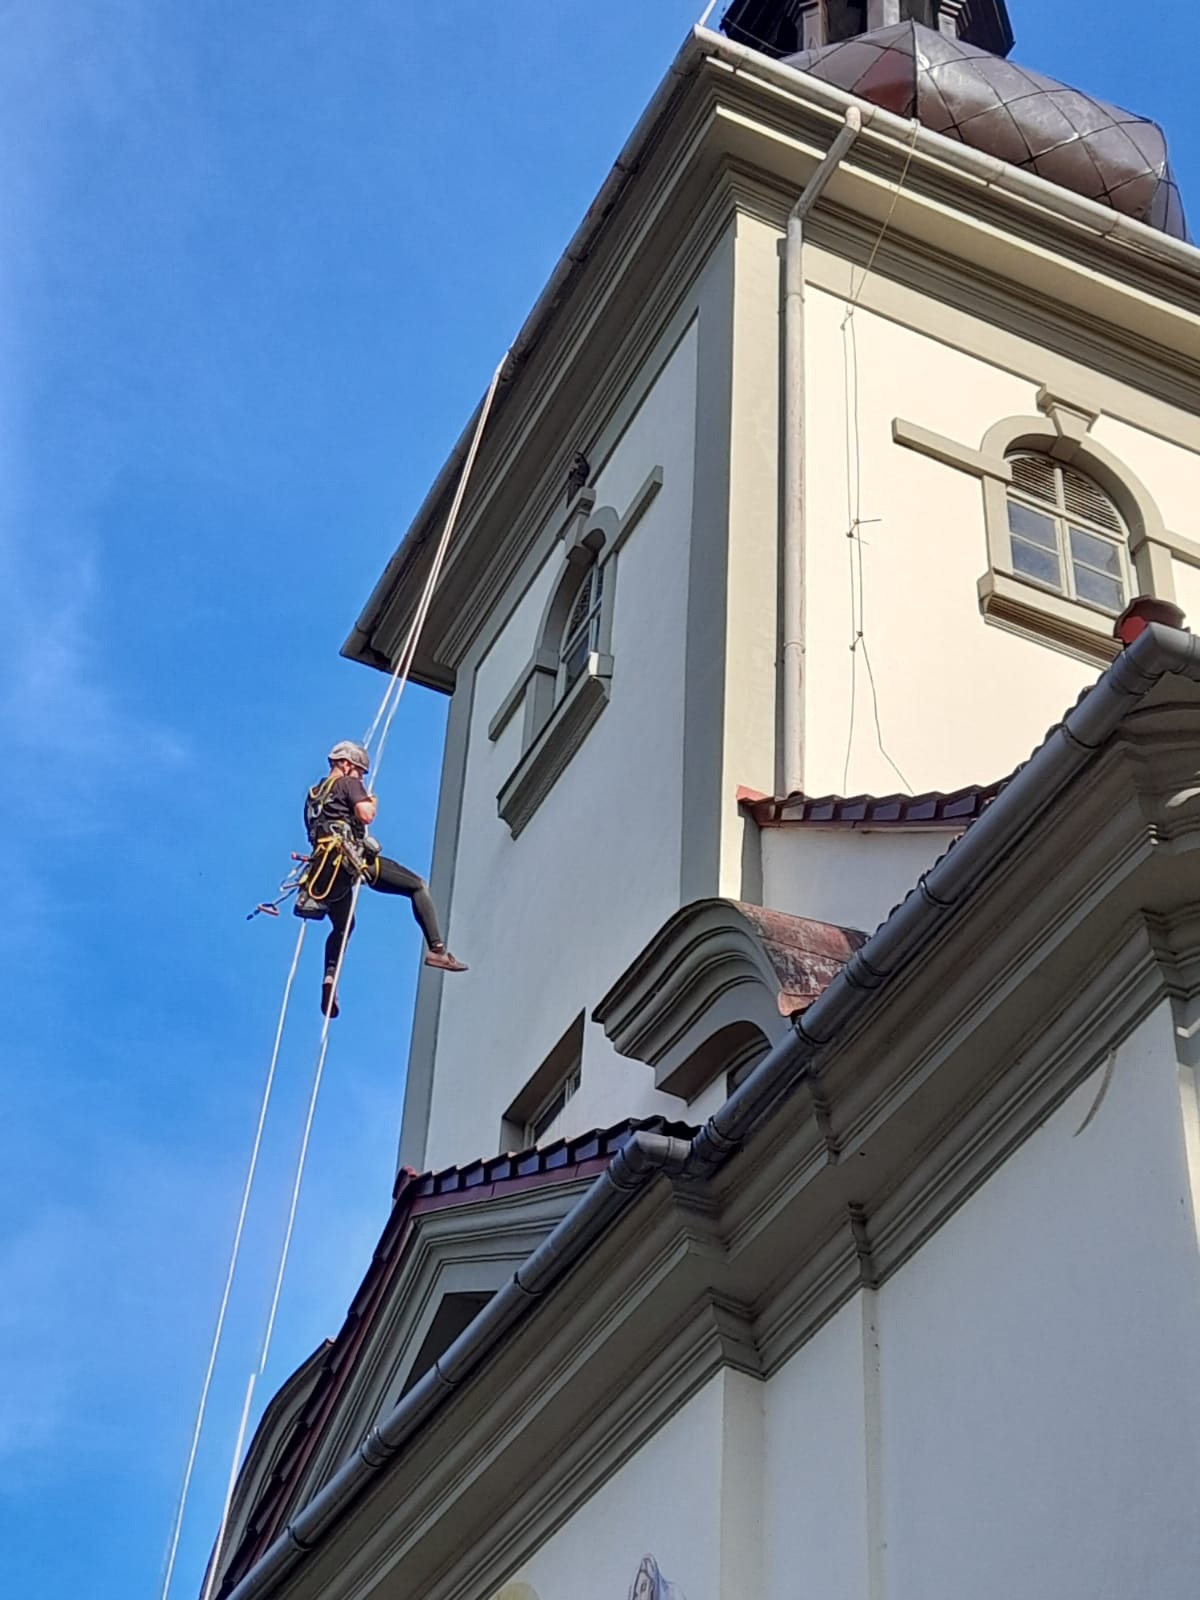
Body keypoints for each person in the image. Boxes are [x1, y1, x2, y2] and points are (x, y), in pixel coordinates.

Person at [301, 740, 466, 1017]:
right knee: (417, 885)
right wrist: (370, 801)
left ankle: (330, 979)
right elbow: (365, 815)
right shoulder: (347, 784)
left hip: (322, 869)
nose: (361, 776)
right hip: (350, 857)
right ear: (346, 765)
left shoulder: (313, 794)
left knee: (344, 927)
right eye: (359, 771)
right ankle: (437, 949)